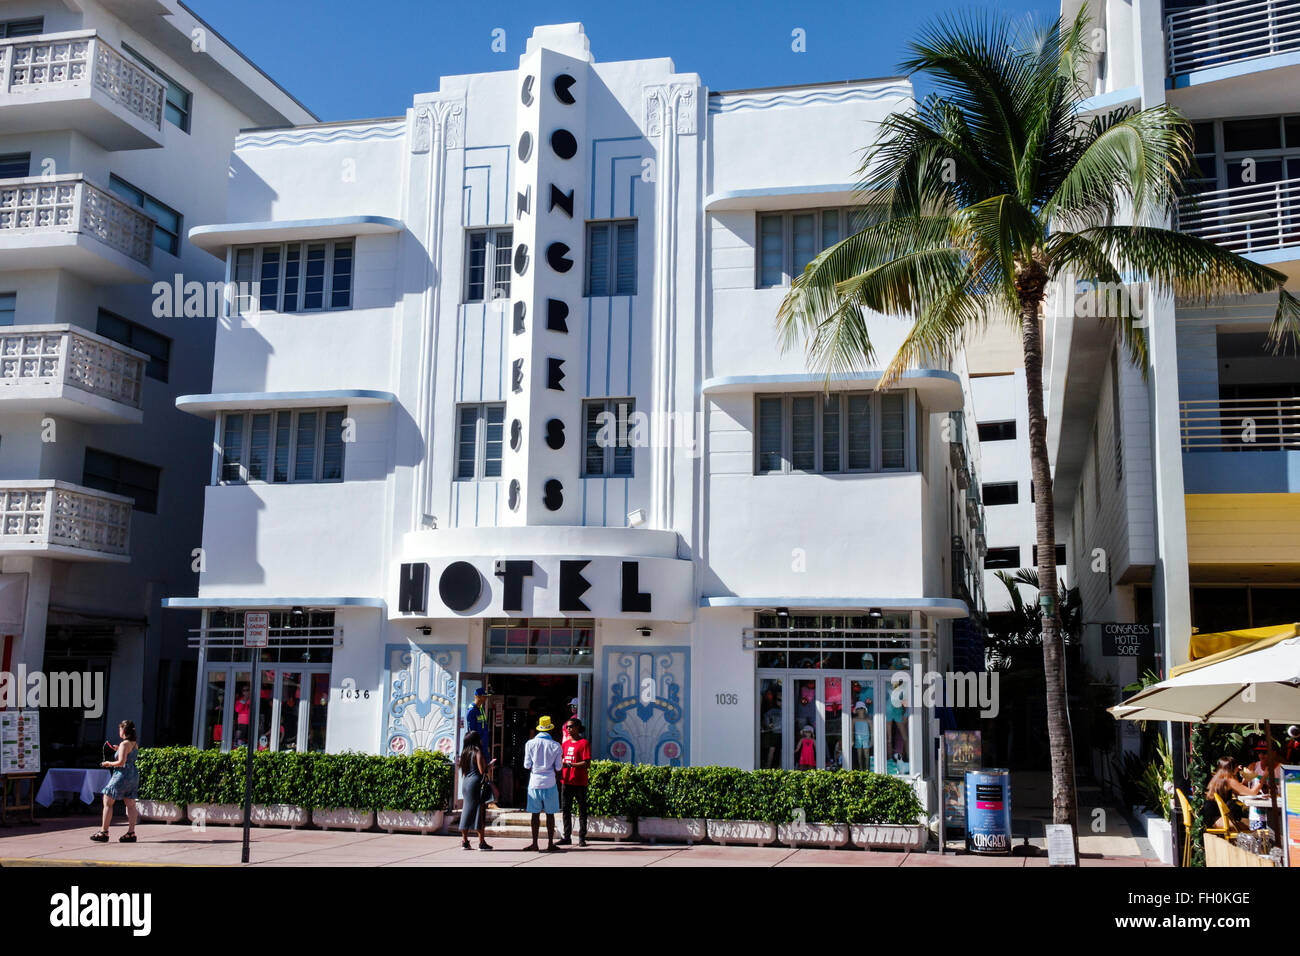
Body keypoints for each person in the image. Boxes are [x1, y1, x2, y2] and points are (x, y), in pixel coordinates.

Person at [92, 720, 139, 843]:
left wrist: (108, 763)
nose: (119, 731)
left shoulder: (124, 744)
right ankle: (131, 832)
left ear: (123, 731)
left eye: (120, 729)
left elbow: (121, 763)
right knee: (130, 803)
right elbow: (128, 757)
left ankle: (104, 831)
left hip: (122, 775)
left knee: (108, 799)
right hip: (133, 775)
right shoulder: (134, 743)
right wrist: (119, 750)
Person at [523, 715, 564, 852]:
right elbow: (558, 768)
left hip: (534, 782)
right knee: (550, 814)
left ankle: (534, 843)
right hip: (550, 782)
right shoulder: (556, 746)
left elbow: (527, 765)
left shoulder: (530, 744)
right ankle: (550, 843)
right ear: (550, 729)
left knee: (535, 815)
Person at [457, 731, 494, 850]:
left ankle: (464, 841)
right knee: (479, 812)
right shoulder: (477, 752)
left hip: (466, 783)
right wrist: (490, 765)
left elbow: (463, 771)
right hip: (476, 784)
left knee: (466, 811)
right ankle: (482, 842)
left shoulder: (464, 753)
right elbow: (482, 770)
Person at [1203, 756, 1260, 833]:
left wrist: (1242, 775)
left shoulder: (1218, 778)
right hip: (1219, 820)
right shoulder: (1229, 780)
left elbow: (1240, 788)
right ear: (1232, 768)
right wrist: (1264, 777)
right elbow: (1252, 793)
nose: (1238, 768)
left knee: (1248, 823)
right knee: (1254, 826)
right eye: (1236, 766)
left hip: (1210, 818)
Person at [557, 718, 591, 847]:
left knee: (582, 810)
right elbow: (560, 761)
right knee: (566, 809)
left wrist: (571, 765)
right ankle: (567, 837)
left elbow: (587, 763)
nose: (569, 730)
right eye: (567, 728)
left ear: (577, 727)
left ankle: (582, 837)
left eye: (571, 727)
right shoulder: (565, 744)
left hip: (580, 782)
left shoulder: (584, 743)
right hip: (566, 781)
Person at [465, 687, 499, 808]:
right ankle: (483, 800)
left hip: (484, 746)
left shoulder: (481, 710)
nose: (485, 699)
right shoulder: (471, 711)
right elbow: (472, 731)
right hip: (478, 747)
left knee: (487, 771)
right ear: (477, 696)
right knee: (481, 772)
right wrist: (476, 748)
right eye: (483, 696)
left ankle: (489, 800)